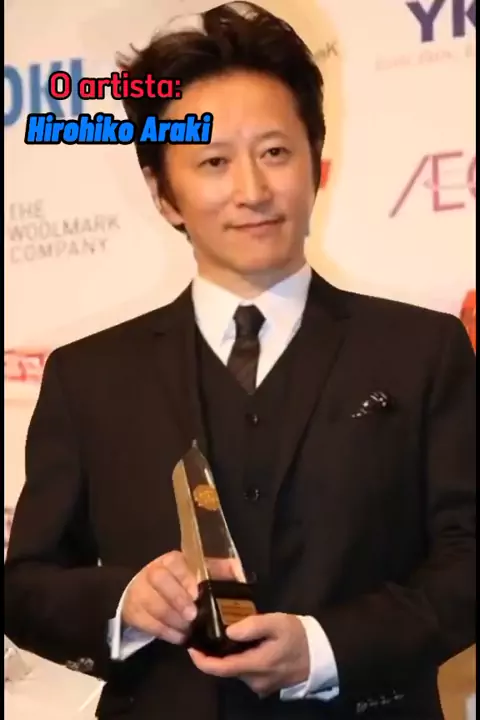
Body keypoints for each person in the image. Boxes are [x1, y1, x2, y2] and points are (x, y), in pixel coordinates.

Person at [4, 3, 475, 719]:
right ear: (164, 193)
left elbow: (468, 560)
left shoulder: (422, 351)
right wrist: (124, 602)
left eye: (275, 152)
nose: (252, 191)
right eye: (214, 162)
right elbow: (26, 585)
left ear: (316, 163)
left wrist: (324, 650)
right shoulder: (88, 377)